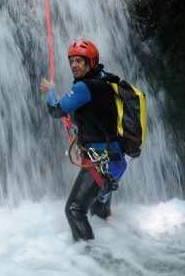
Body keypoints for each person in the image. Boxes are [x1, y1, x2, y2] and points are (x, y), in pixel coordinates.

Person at [40, 39, 127, 241]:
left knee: (74, 210)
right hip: (115, 161)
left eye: (80, 60)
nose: (74, 65)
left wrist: (49, 92)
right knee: (98, 210)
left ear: (92, 62)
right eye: (71, 61)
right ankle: (112, 255)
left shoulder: (85, 87)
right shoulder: (102, 83)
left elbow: (55, 110)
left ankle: (90, 261)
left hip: (100, 162)